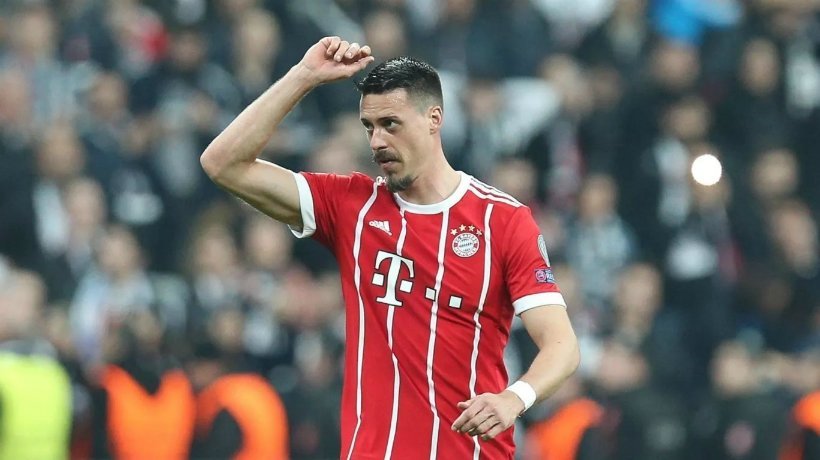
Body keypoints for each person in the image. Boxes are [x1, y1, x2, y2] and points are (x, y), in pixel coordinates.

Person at [201, 36, 580, 459]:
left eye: (391, 124)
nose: (377, 141)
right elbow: (223, 163)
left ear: (434, 118)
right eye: (369, 126)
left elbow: (562, 346)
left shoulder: (503, 221)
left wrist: (515, 398)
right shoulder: (350, 206)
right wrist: (303, 77)